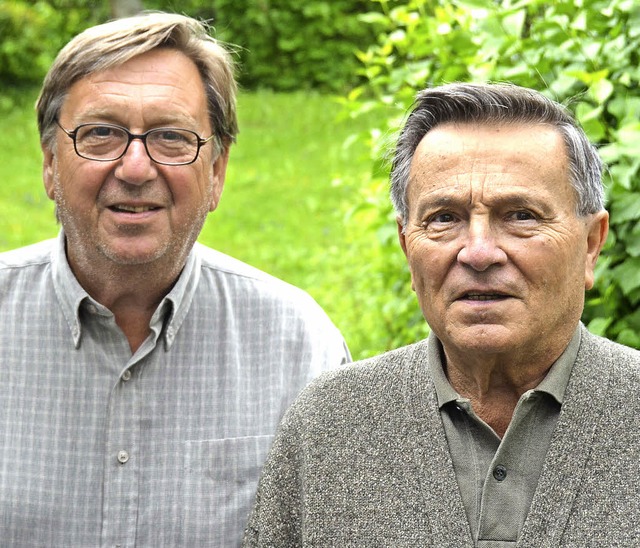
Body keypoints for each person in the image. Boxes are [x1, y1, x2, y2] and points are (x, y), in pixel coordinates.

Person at [0, 12, 350, 546]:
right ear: (50, 163)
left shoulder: (298, 347)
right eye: (100, 134)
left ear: (216, 172)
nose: (136, 168)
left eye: (171, 137)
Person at [243, 82, 640, 546]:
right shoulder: (327, 427)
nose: (478, 252)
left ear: (591, 245)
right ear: (406, 245)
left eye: (521, 215)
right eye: (443, 218)